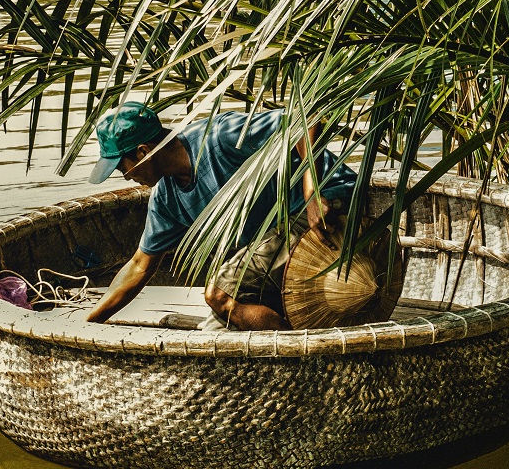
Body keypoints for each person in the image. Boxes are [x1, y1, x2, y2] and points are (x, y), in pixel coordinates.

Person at [83, 102, 355, 330]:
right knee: (215, 328)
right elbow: (140, 266)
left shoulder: (220, 136)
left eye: (123, 168)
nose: (126, 177)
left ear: (143, 152)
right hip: (277, 242)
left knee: (220, 294)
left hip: (331, 205)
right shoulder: (166, 199)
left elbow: (303, 119)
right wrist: (90, 322)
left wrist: (312, 191)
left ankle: (305, 357)